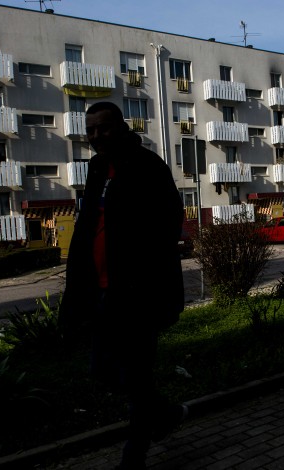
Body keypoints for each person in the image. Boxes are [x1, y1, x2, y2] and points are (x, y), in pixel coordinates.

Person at [60, 101, 188, 469]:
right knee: (102, 369)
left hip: (137, 295)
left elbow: (168, 222)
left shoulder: (148, 167)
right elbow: (87, 229)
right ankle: (164, 415)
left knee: (136, 374)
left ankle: (133, 458)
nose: (97, 136)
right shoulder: (98, 169)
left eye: (103, 128)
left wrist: (142, 274)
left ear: (120, 127)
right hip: (101, 293)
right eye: (91, 130)